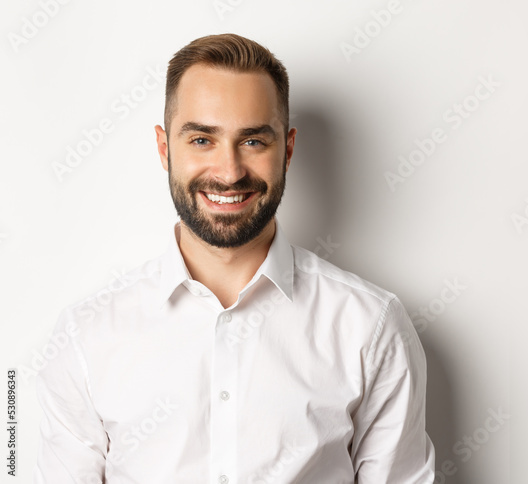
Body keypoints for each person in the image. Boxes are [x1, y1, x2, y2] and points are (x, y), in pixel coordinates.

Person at [34, 33, 435, 483]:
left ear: (287, 149)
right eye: (203, 140)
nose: (229, 172)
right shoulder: (84, 338)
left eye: (253, 142)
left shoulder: (370, 326)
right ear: (165, 149)